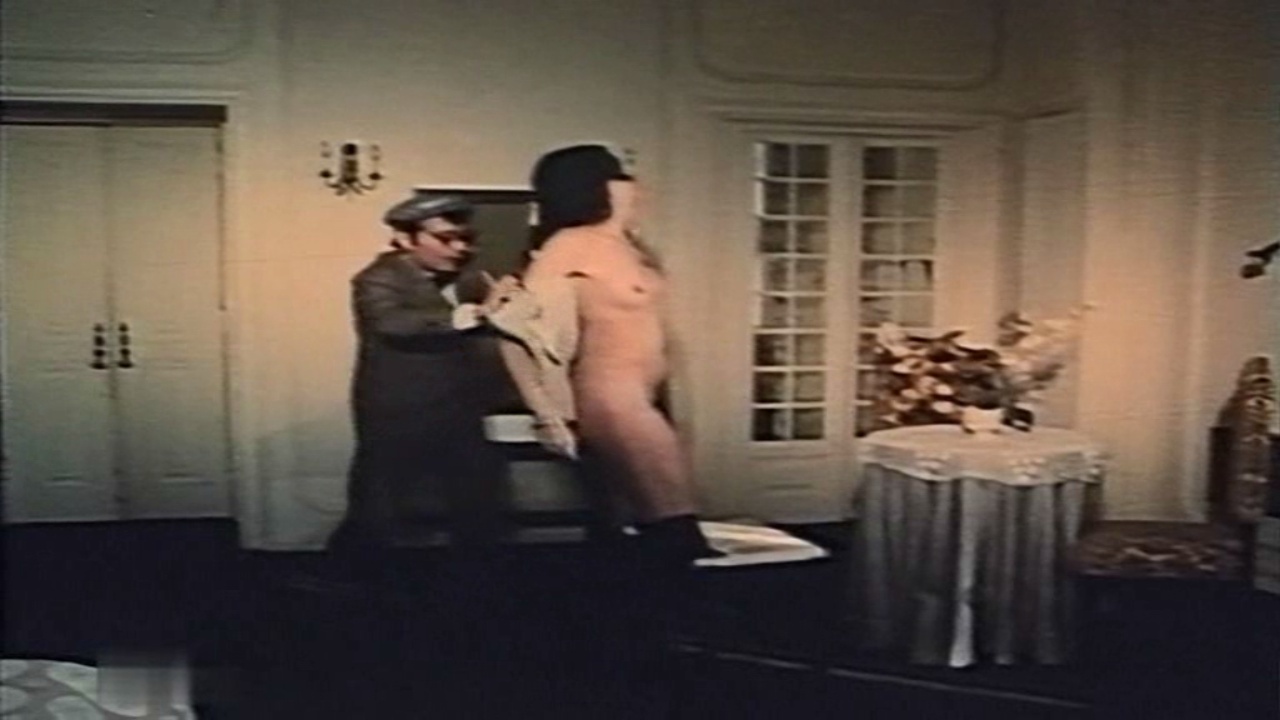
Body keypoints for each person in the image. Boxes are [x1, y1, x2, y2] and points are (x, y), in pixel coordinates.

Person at [326, 192, 520, 567]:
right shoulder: (376, 279)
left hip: (459, 408)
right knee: (379, 504)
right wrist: (477, 314)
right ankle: (344, 575)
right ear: (404, 238)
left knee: (479, 498)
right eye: (445, 239)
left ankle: (477, 583)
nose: (460, 248)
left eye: (465, 238)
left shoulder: (466, 276)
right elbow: (392, 324)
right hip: (399, 410)